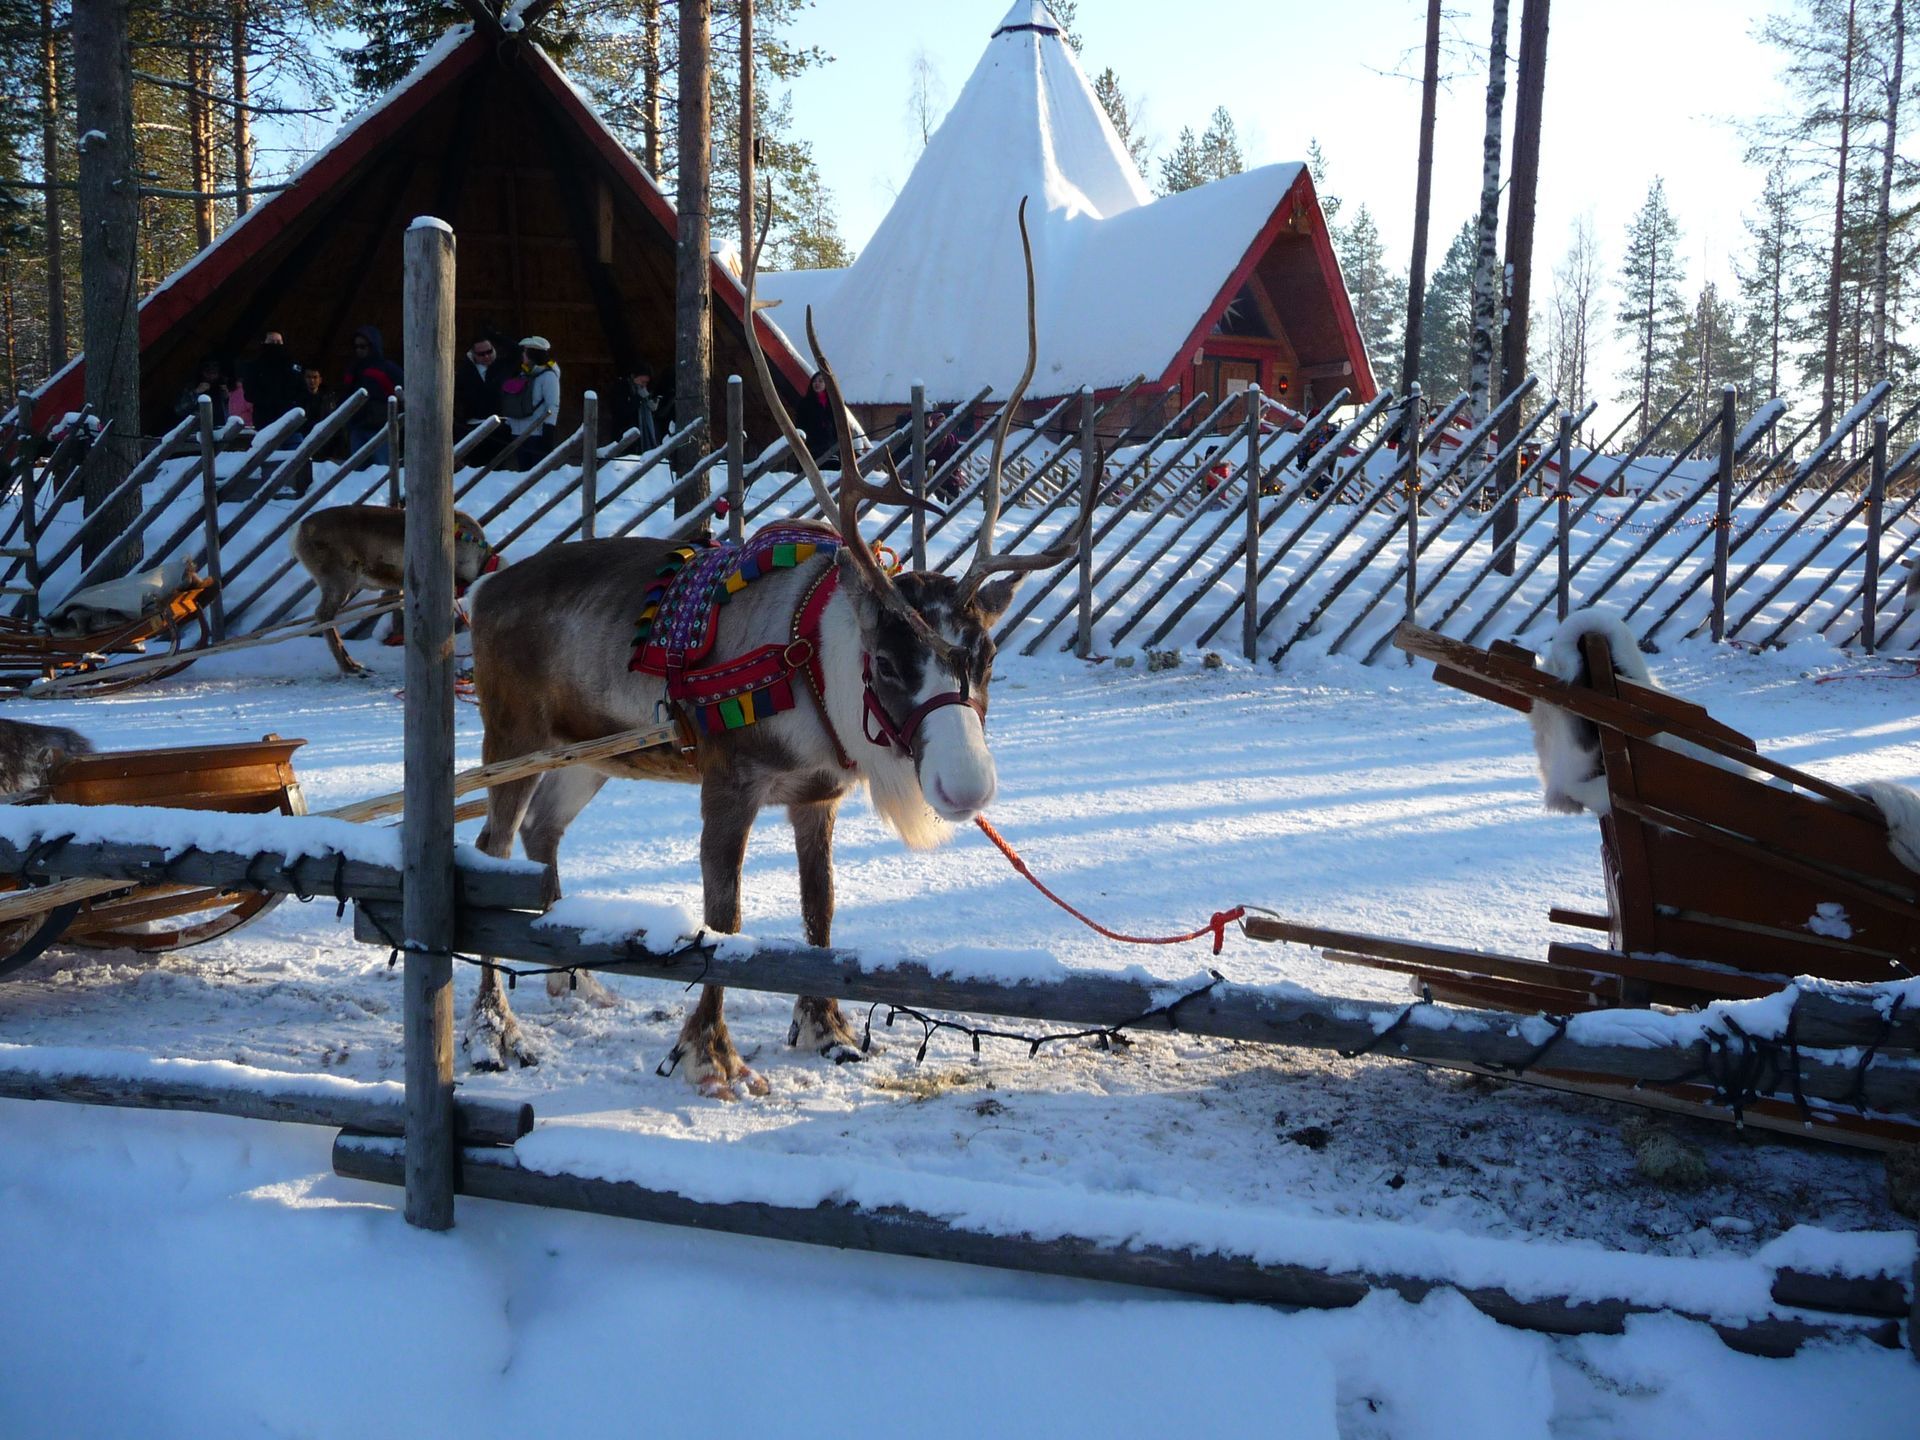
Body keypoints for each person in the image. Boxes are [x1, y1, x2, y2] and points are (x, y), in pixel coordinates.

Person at [342, 325, 402, 468]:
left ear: (373, 345)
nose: (359, 350)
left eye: (363, 346)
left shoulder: (387, 368)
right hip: (357, 427)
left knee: (383, 470)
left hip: (381, 428)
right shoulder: (353, 368)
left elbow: (404, 389)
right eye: (356, 347)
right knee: (357, 470)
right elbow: (345, 394)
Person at [499, 335, 561, 467]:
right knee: (523, 473)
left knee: (537, 475)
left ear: (533, 353)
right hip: (518, 433)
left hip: (537, 434)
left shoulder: (548, 376)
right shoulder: (522, 374)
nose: (522, 354)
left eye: (525, 351)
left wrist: (549, 430)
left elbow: (553, 404)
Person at [242, 330, 305, 436]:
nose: (275, 345)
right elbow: (249, 393)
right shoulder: (255, 366)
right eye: (272, 341)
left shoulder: (292, 364)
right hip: (265, 419)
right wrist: (267, 401)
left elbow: (301, 388)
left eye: (278, 342)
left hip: (289, 418)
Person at [613, 362, 661, 451]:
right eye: (642, 382)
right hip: (625, 435)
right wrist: (638, 398)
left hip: (641, 437)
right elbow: (622, 412)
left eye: (646, 383)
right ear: (633, 376)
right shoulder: (622, 389)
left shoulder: (644, 392)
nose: (643, 385)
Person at [175, 356, 231, 426]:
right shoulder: (192, 387)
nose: (211, 375)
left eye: (214, 372)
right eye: (208, 372)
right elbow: (179, 410)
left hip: (222, 430)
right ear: (202, 372)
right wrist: (196, 393)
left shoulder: (224, 386)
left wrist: (228, 398)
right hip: (199, 431)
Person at [796, 370, 835, 462]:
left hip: (830, 445)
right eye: (814, 381)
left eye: (821, 381)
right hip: (811, 446)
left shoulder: (833, 403)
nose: (817, 383)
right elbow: (800, 424)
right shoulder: (804, 402)